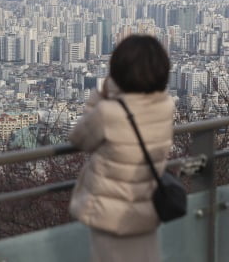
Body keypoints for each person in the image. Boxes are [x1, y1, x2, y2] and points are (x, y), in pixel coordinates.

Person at [68, 34, 174, 262]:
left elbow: (78, 138)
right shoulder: (166, 106)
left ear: (119, 71)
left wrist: (100, 95)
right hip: (147, 211)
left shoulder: (109, 112)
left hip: (112, 217)